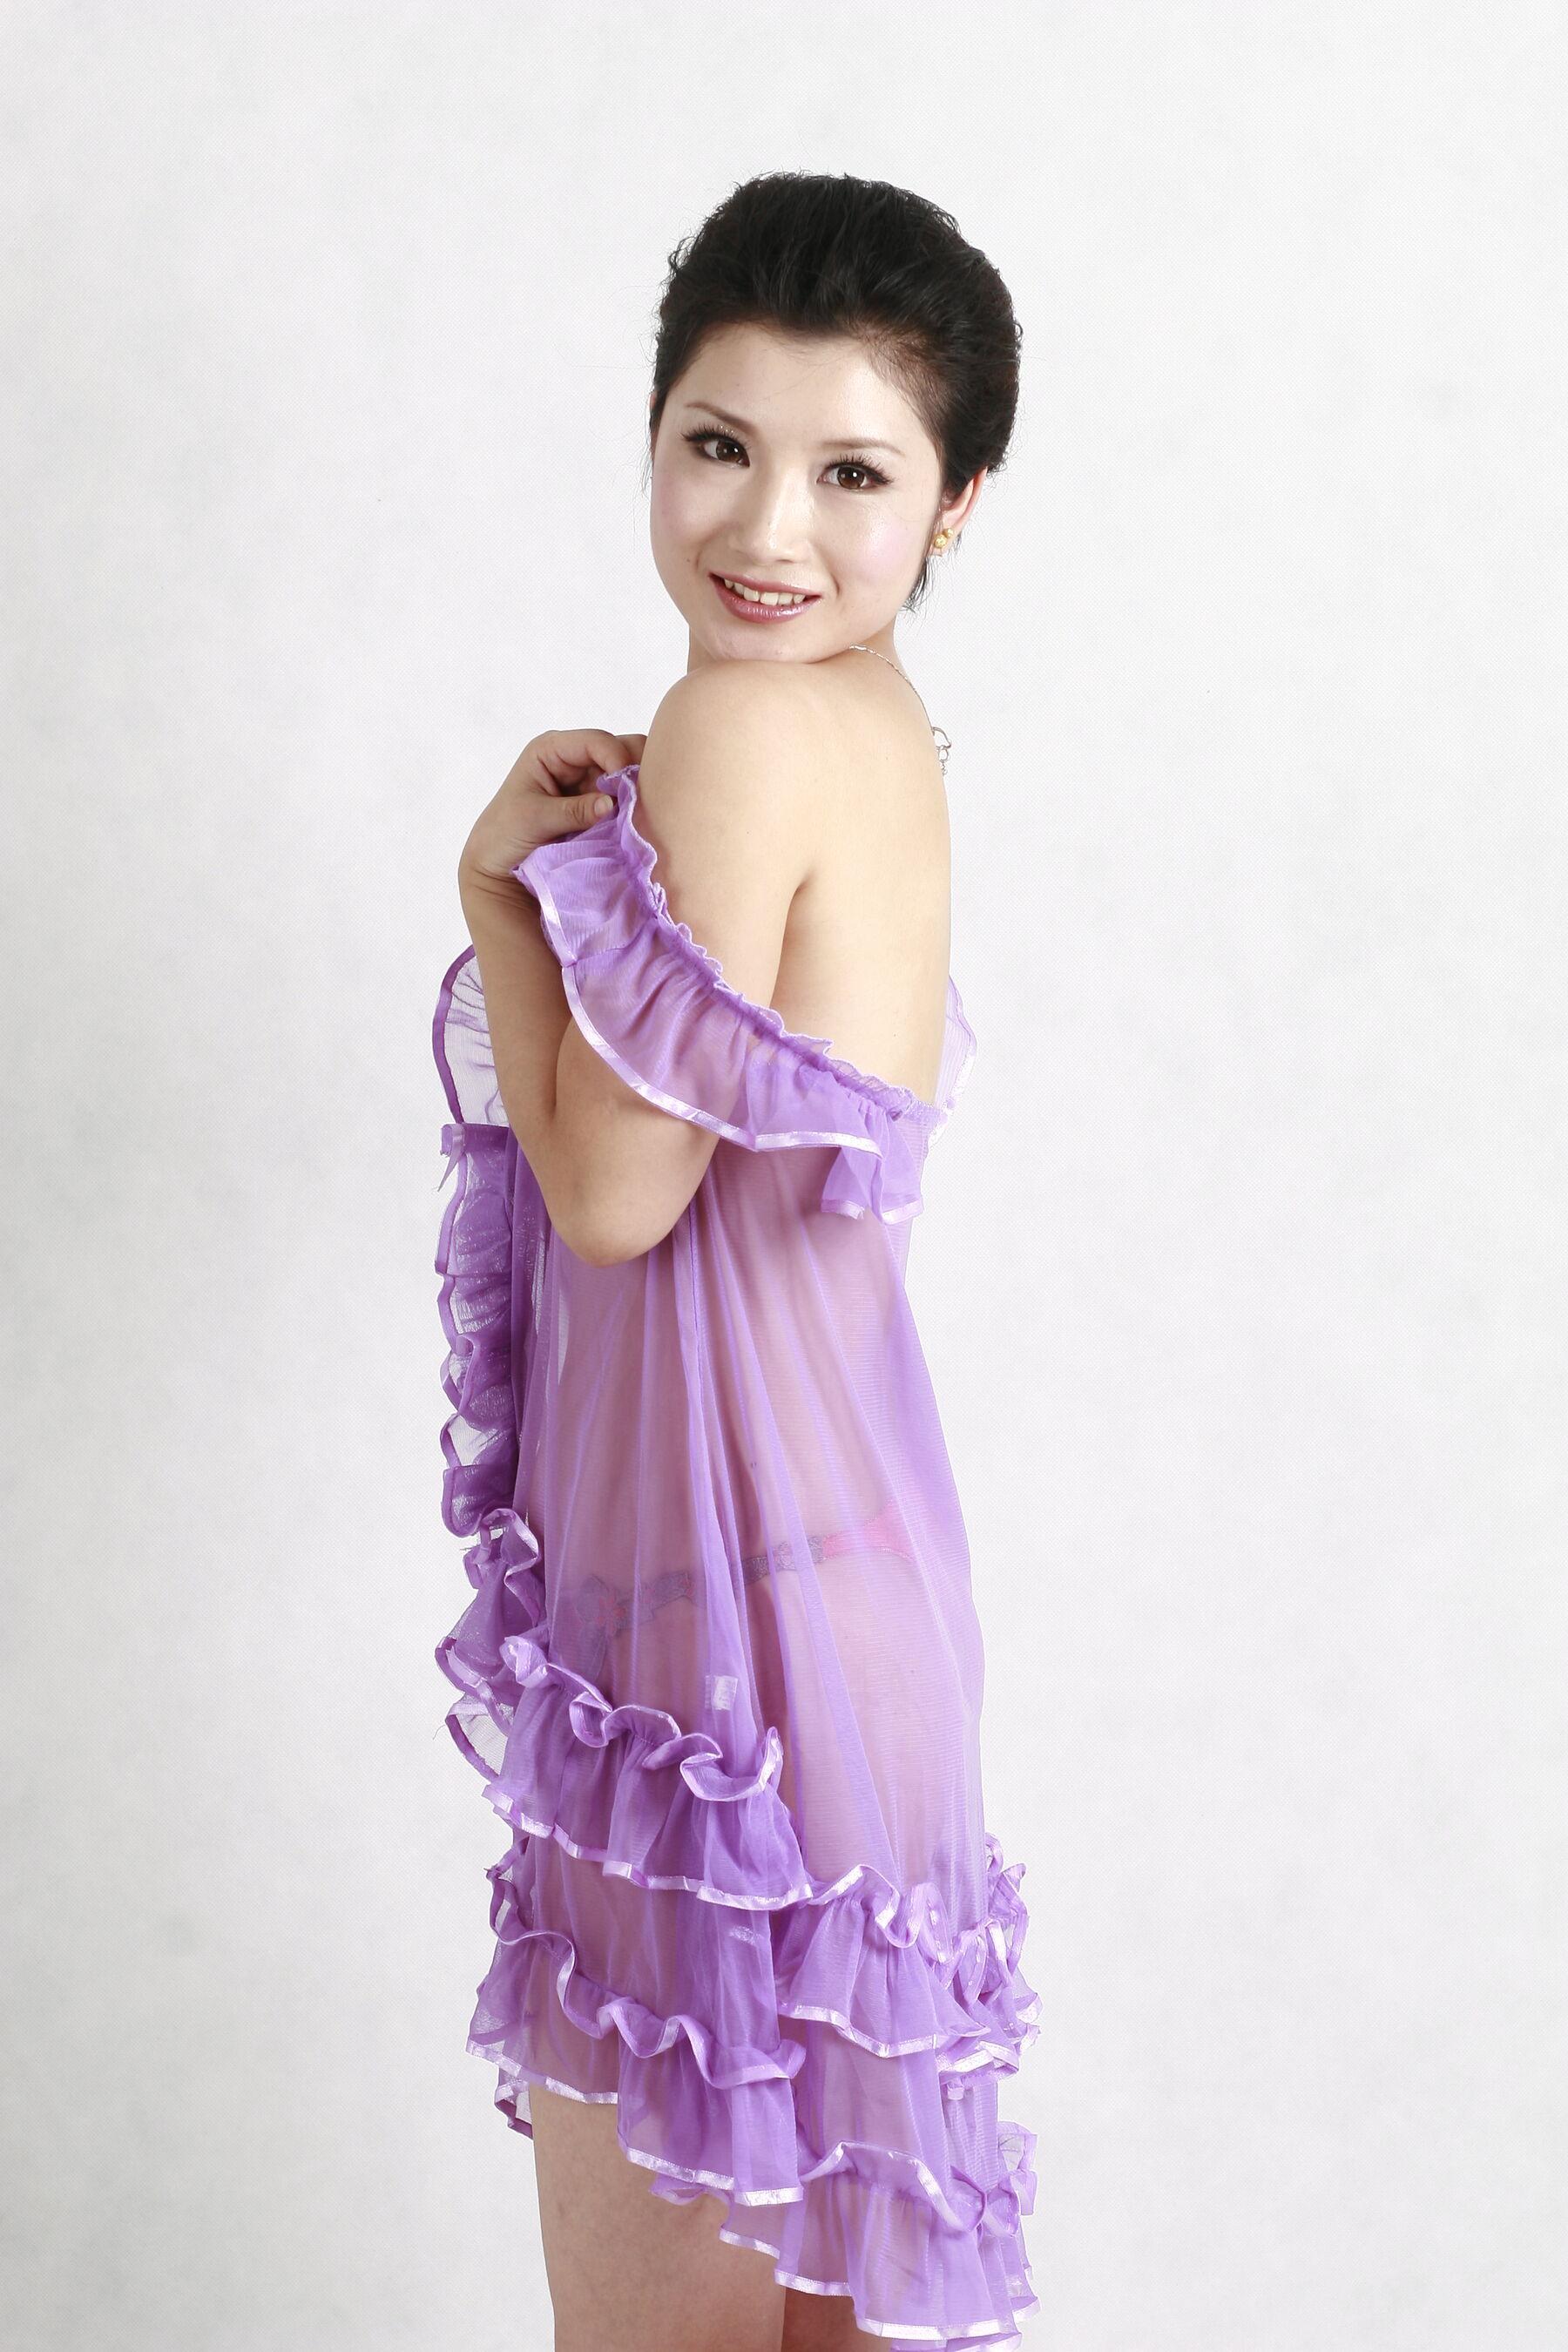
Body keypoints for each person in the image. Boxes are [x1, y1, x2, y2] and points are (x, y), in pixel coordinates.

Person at [433, 170, 1039, 2352]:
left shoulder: (738, 724)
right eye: (719, 445)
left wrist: (506, 904)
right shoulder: (883, 728)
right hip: (861, 1620)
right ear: (654, 436)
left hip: (710, 1658)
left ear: (955, 503)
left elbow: (614, 1194)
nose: (769, 527)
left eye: (853, 472)